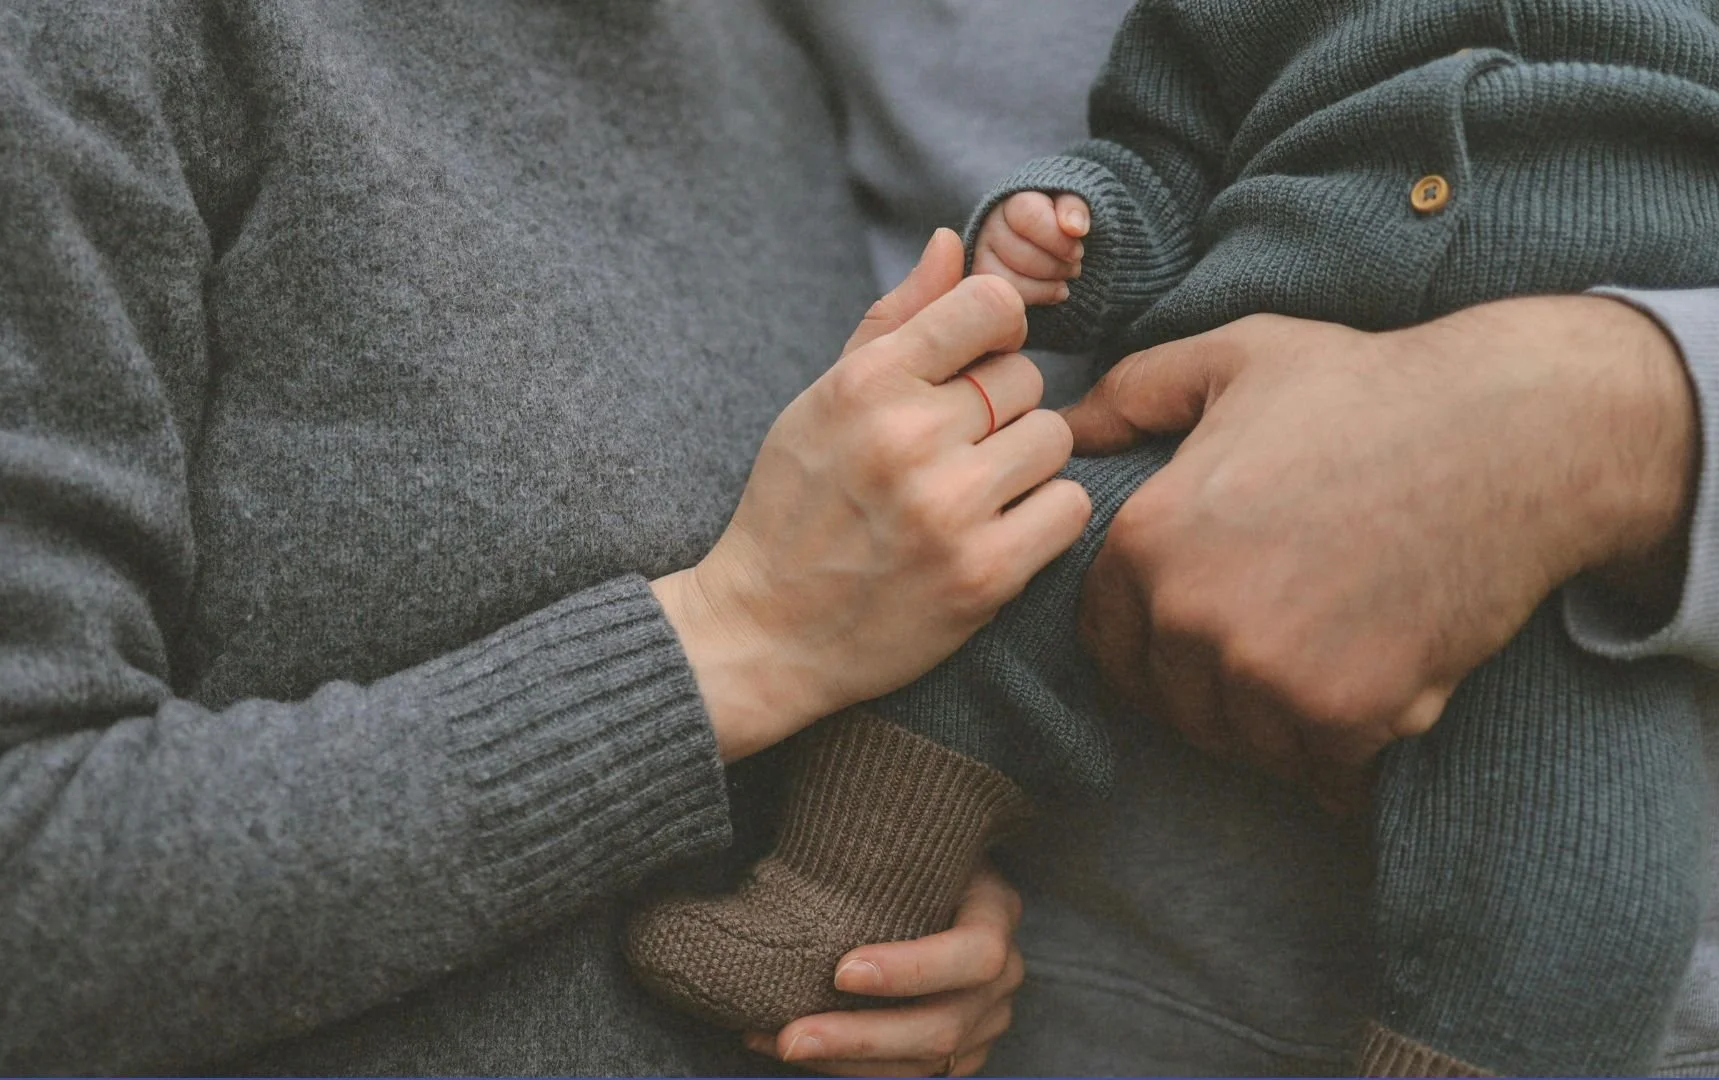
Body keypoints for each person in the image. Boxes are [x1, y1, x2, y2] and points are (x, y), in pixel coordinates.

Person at [641, 1, 1719, 1076]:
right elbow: (1160, 148)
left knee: (1575, 882)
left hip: (1583, 621)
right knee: (982, 614)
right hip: (1184, 464)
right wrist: (1075, 227)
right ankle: (833, 905)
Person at [0, 2, 1077, 1074]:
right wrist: (740, 638)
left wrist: (875, 888)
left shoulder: (758, 51)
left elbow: (811, 656)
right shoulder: (105, 38)